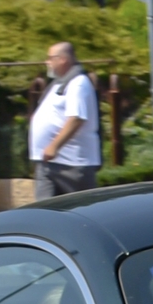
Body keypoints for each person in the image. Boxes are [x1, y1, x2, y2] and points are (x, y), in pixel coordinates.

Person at [30, 40, 102, 199]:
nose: (46, 62)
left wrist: (54, 146)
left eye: (50, 58)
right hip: (48, 163)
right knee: (44, 211)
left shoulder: (78, 83)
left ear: (63, 59)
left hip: (73, 164)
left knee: (81, 210)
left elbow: (76, 118)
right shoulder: (59, 83)